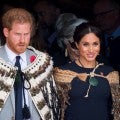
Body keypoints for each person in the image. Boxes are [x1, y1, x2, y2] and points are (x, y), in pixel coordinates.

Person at [0, 8, 59, 120]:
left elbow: (51, 103)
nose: (22, 40)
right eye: (17, 34)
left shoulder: (42, 62)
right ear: (6, 32)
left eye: (26, 34)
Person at [54, 22, 120, 120]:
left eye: (95, 44)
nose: (91, 50)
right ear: (77, 45)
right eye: (85, 44)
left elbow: (115, 109)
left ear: (100, 44)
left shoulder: (110, 73)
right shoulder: (63, 73)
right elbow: (55, 109)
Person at [93, 0, 120, 72]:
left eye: (102, 14)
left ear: (116, 13)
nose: (98, 19)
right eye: (96, 16)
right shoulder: (95, 38)